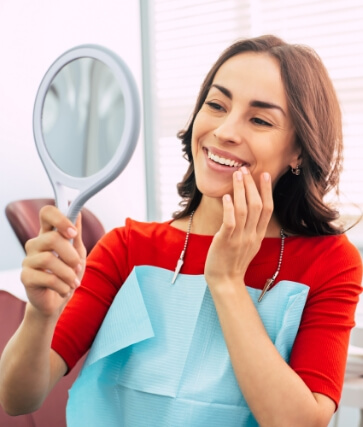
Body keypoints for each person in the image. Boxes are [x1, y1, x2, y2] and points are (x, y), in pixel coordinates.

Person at [0, 35, 362, 427]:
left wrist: (225, 280)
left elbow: (298, 423)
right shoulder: (127, 248)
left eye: (259, 119)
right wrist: (39, 315)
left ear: (299, 151)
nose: (224, 131)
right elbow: (17, 398)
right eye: (216, 105)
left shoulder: (331, 263)